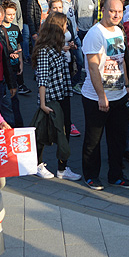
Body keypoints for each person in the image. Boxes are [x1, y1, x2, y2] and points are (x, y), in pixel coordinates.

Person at [80, 0, 129, 190]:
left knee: (117, 139)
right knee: (93, 140)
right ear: (103, 10)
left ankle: (116, 175)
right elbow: (93, 68)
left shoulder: (119, 31)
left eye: (119, 12)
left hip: (118, 95)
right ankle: (91, 176)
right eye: (112, 11)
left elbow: (121, 60)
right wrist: (101, 96)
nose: (116, 15)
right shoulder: (95, 34)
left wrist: (126, 85)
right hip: (96, 97)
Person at [32, 14, 82, 181]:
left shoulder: (56, 46)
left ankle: (62, 167)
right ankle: (37, 164)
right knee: (43, 132)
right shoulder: (45, 50)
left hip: (63, 94)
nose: (66, 28)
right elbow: (42, 78)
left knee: (64, 130)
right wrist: (43, 103)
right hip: (51, 97)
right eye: (64, 25)